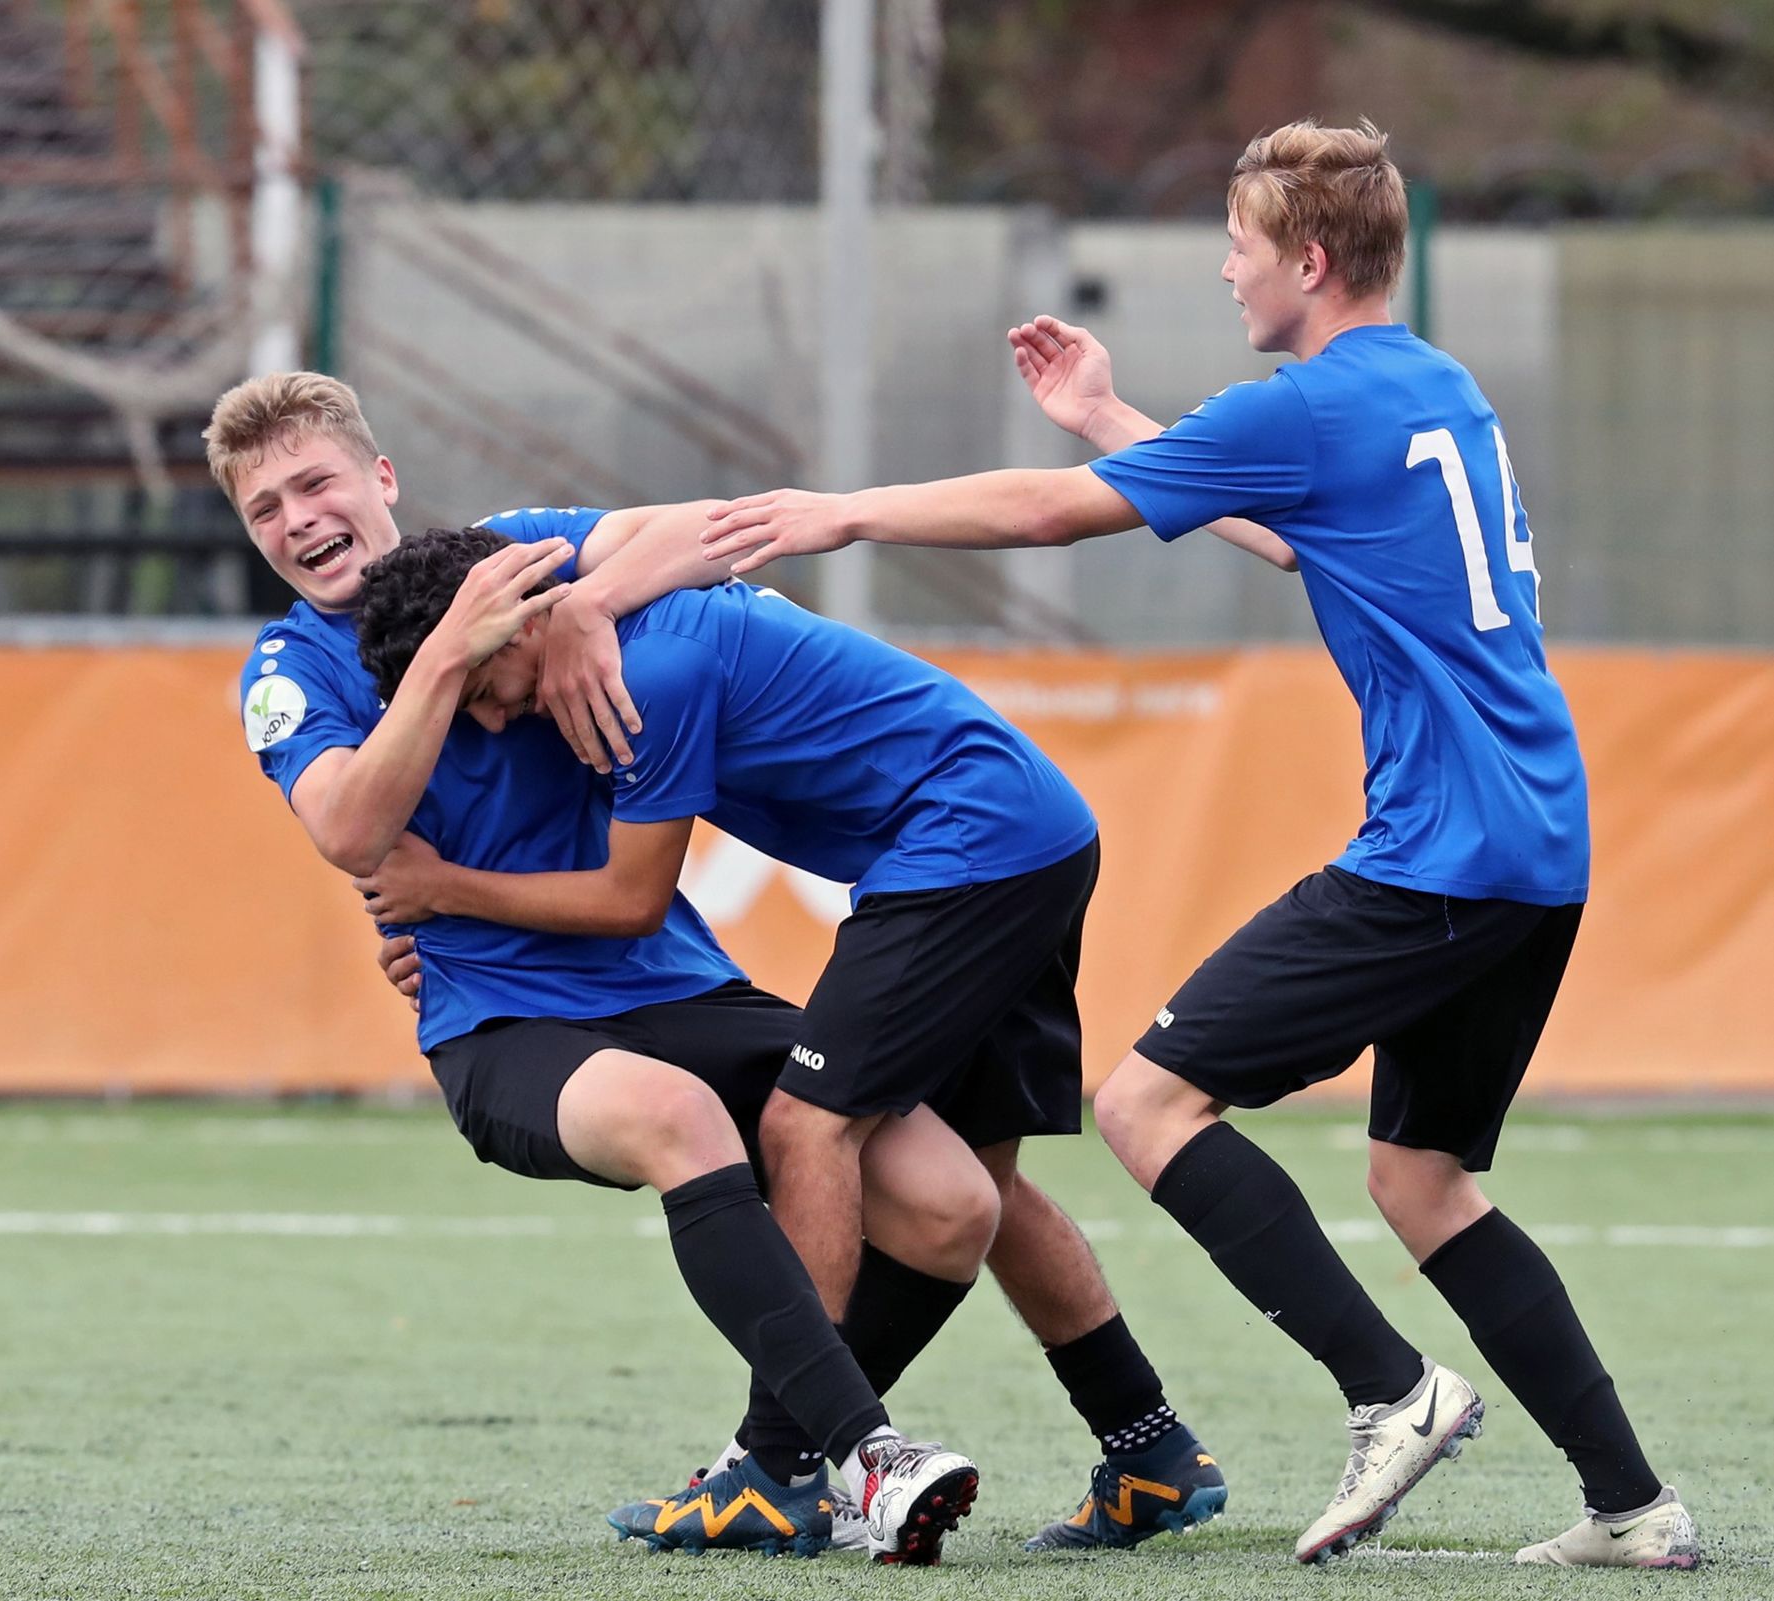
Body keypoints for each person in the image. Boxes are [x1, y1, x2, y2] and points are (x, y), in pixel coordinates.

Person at [694, 118, 1699, 1572]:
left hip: (1436, 854)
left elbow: (1047, 519)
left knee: (1148, 1103)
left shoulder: (1307, 405)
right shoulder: (1432, 386)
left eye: (1236, 245)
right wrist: (1109, 416)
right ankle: (1632, 1505)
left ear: (1305, 255)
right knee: (1421, 1180)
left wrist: (838, 511)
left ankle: (1392, 1391)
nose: (1225, 272)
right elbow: (1296, 536)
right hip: (1540, 844)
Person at [213, 373, 983, 1563]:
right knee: (681, 1116)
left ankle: (768, 1470)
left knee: (950, 1204)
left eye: (313, 482)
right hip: (502, 1025)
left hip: (672, 979)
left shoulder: (514, 554)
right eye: (263, 507)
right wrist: (442, 660)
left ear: (380, 480)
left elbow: (707, 527)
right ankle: (871, 1457)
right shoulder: (285, 670)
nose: (297, 518)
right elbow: (350, 829)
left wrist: (583, 606)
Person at [353, 524, 1227, 1555]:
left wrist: (439, 892)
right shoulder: (598, 609)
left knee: (808, 1124)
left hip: (959, 848)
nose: (495, 719)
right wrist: (585, 605)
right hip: (1020, 829)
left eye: (487, 687)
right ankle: (1151, 1449)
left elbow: (633, 899)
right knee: (971, 1178)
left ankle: (775, 1467)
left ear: (524, 612)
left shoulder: (646, 672)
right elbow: (695, 530)